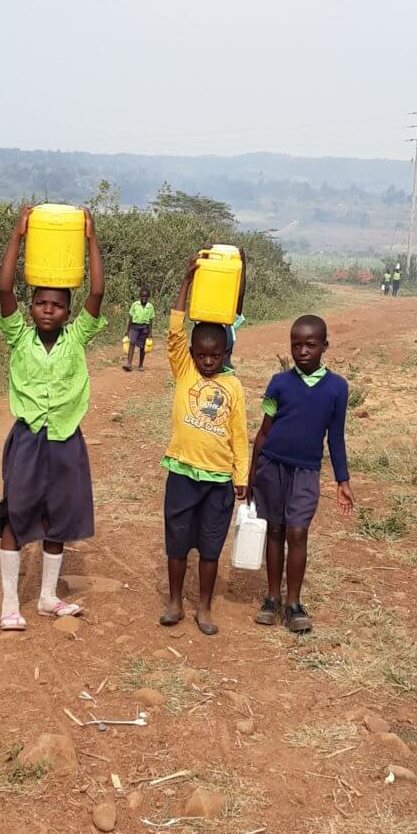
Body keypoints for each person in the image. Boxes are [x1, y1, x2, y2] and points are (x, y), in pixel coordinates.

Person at [0, 204, 105, 631]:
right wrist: (18, 236)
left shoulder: (77, 339)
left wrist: (89, 239)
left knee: (59, 517)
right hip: (27, 439)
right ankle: (9, 603)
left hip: (65, 439)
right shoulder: (17, 336)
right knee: (16, 514)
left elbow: (96, 293)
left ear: (67, 311)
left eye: (56, 305)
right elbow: (4, 287)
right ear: (30, 306)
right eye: (39, 303)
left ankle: (46, 596)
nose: (47, 310)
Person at [160, 256, 249, 636]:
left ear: (226, 353)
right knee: (177, 543)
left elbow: (240, 436)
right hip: (182, 471)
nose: (208, 360)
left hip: (218, 479)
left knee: (211, 547)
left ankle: (206, 607)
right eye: (202, 354)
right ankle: (175, 601)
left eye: (216, 355)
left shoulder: (233, 387)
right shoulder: (184, 369)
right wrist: (186, 280)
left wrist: (241, 476)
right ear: (192, 354)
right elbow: (176, 331)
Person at [248, 315, 354, 633]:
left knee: (297, 532)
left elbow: (335, 436)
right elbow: (264, 431)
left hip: (306, 472)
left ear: (324, 346)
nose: (303, 351)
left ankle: (293, 604)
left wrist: (342, 480)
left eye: (310, 344)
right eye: (296, 344)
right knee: (275, 531)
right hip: (272, 465)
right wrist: (251, 473)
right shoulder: (278, 383)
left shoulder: (337, 388)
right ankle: (271, 598)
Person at [223, 247, 247, 369]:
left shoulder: (229, 318)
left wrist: (242, 264)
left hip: (225, 377)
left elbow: (240, 294)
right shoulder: (202, 317)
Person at [124, 286, 154, 372]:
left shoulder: (150, 306)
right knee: (132, 343)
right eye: (142, 296)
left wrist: (150, 333)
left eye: (146, 296)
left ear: (148, 297)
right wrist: (127, 330)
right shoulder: (135, 305)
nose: (144, 298)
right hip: (134, 327)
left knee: (142, 346)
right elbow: (130, 318)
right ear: (140, 296)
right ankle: (129, 364)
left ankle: (140, 365)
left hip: (144, 328)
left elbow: (151, 320)